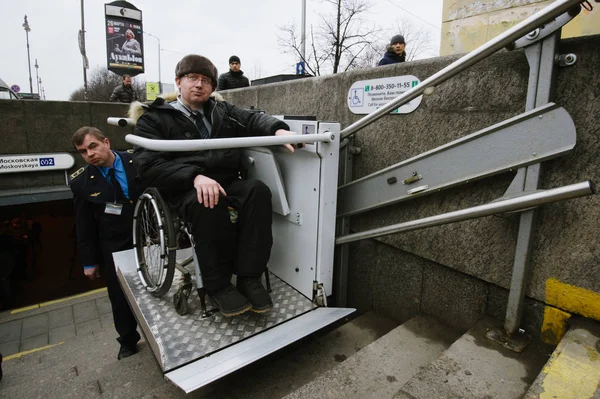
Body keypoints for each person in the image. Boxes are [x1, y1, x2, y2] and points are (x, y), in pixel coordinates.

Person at [131, 54, 298, 317]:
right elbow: (146, 165)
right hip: (185, 187)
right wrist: (193, 177)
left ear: (213, 87)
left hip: (226, 180)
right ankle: (217, 284)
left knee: (257, 191)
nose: (199, 84)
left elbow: (253, 119)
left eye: (206, 80)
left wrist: (278, 130)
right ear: (178, 82)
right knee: (207, 202)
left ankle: (248, 277)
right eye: (192, 78)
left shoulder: (222, 111)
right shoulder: (155, 119)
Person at [69, 126, 143, 360]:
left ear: (106, 142)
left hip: (147, 234)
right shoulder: (81, 182)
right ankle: (128, 340)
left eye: (93, 146)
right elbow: (84, 226)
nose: (89, 154)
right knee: (119, 297)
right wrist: (89, 262)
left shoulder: (138, 161)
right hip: (113, 244)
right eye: (83, 151)